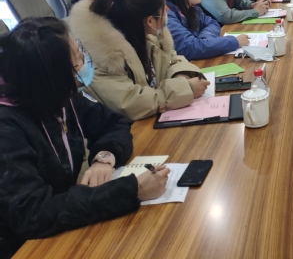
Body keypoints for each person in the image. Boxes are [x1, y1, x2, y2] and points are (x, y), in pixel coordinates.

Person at [0, 17, 169, 258]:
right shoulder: (7, 129)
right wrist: (131, 190)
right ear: (52, 75)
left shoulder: (60, 98)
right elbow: (33, 214)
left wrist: (105, 157)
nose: (82, 61)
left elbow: (114, 123)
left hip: (65, 228)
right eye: (75, 59)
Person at [67, 0, 209, 121]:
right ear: (150, 21)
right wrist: (185, 89)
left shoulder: (147, 34)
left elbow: (173, 59)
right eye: (164, 11)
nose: (166, 15)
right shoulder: (101, 56)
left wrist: (181, 79)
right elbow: (131, 103)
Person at [155, 0, 249, 60]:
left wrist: (203, 39)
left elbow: (212, 23)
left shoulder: (191, 8)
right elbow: (190, 47)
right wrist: (234, 42)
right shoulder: (166, 18)